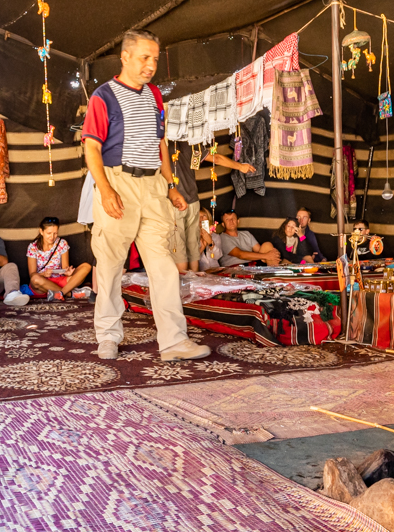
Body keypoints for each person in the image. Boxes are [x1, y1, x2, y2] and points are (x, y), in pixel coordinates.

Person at [82, 29, 210, 362]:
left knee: (164, 265)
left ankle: (174, 341)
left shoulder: (154, 95)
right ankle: (108, 336)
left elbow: (160, 143)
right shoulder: (103, 96)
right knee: (110, 266)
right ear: (125, 57)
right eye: (144, 57)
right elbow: (91, 147)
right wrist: (105, 189)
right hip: (117, 182)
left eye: (154, 58)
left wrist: (170, 186)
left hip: (153, 186)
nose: (151, 65)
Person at [169, 137, 253, 272]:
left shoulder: (163, 143)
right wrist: (240, 166)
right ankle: (192, 279)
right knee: (191, 249)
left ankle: (184, 280)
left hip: (177, 201)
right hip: (190, 200)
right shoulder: (190, 142)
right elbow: (216, 158)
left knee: (180, 248)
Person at [27, 216, 92, 298]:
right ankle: (70, 294)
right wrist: (43, 274)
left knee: (86, 266)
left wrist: (67, 272)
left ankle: (60, 293)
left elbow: (65, 267)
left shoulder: (62, 243)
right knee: (35, 279)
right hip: (43, 284)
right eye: (49, 233)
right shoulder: (33, 247)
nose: (52, 237)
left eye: (55, 233)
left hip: (61, 281)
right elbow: (32, 275)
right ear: (41, 231)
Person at [215, 210, 280, 266]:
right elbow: (240, 255)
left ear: (238, 221)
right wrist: (267, 256)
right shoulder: (222, 238)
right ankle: (276, 271)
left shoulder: (246, 234)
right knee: (269, 255)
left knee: (267, 245)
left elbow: (260, 250)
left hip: (251, 266)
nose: (231, 221)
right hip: (233, 269)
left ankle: (276, 273)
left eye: (233, 218)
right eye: (227, 220)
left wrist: (272, 253)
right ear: (223, 224)